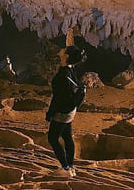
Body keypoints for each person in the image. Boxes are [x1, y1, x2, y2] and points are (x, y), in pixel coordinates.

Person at [45, 45, 86, 178]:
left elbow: (58, 98)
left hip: (62, 112)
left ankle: (66, 168)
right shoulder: (70, 69)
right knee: (67, 137)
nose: (62, 49)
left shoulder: (62, 76)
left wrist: (50, 113)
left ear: (66, 56)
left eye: (65, 50)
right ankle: (70, 167)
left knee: (52, 138)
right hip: (70, 110)